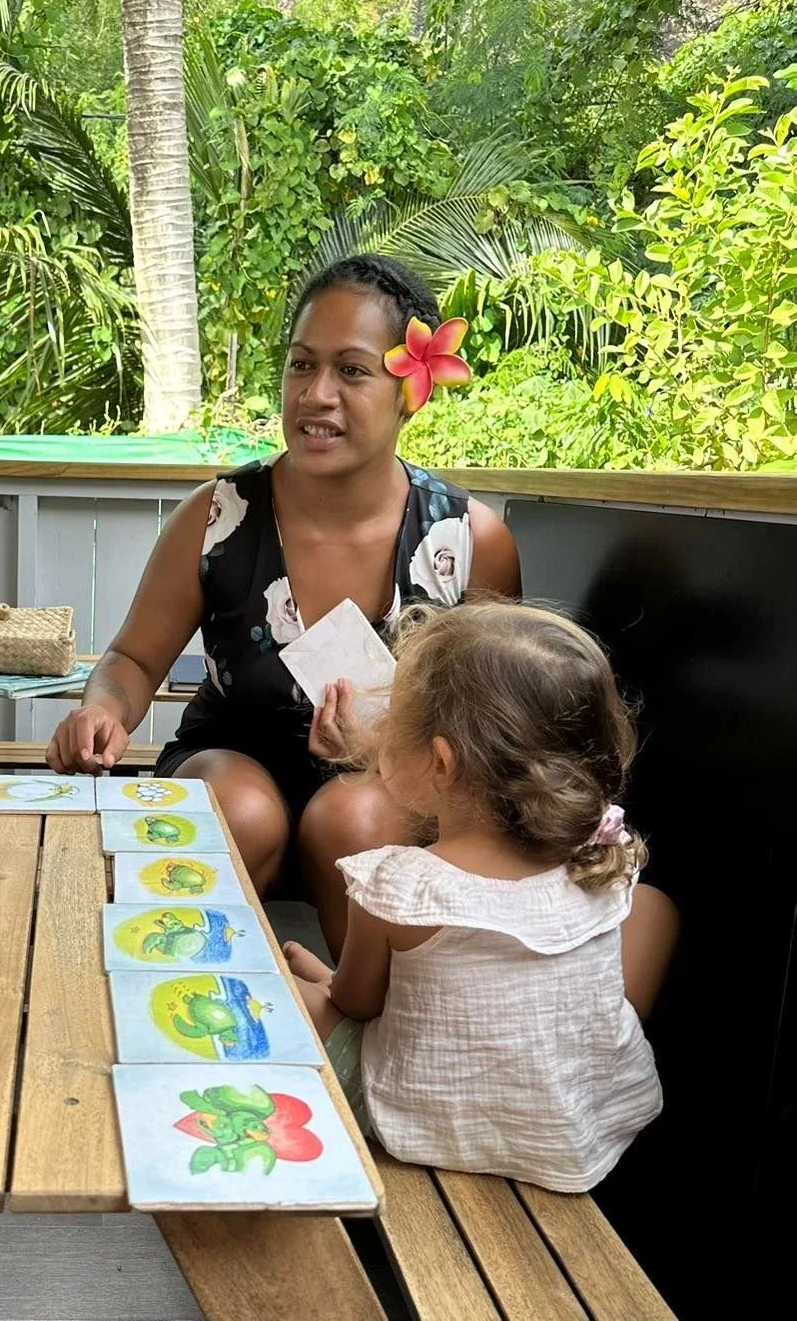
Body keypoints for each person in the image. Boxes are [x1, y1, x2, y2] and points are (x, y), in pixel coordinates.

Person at [48, 255, 522, 948]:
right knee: (238, 807)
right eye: (302, 365)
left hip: (393, 788)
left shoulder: (470, 541)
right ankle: (190, 995)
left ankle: (362, 1028)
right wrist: (102, 709)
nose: (316, 394)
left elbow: (490, 729)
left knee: (351, 818)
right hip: (229, 762)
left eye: (352, 370)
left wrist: (382, 748)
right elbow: (130, 659)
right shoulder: (216, 519)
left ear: (409, 391)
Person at [284, 601, 679, 1191]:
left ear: (441, 762)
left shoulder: (396, 884)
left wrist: (323, 985)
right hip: (572, 1133)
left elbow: (360, 1005)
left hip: (428, 1124)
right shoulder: (603, 862)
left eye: (395, 723)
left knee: (281, 990)